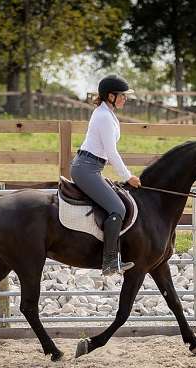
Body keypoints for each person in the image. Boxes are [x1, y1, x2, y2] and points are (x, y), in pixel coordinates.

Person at [70, 75, 142, 276]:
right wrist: (127, 176)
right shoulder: (103, 116)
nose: (125, 99)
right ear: (111, 96)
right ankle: (109, 261)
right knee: (117, 207)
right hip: (86, 168)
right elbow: (111, 152)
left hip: (91, 167)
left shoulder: (107, 113)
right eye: (122, 96)